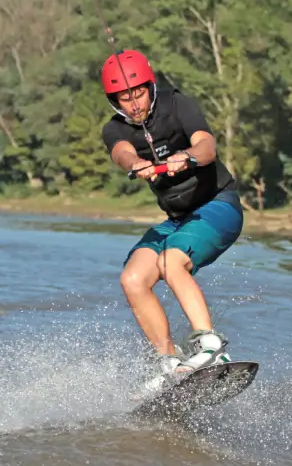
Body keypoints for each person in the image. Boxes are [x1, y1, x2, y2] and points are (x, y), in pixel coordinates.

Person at [99, 49, 245, 395]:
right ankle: (169, 362)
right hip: (177, 220)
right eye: (124, 98)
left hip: (218, 206)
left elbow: (206, 146)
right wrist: (135, 164)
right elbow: (121, 152)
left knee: (170, 261)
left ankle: (211, 346)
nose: (134, 103)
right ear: (114, 101)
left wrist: (187, 157)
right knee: (133, 278)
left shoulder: (177, 104)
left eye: (138, 93)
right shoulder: (114, 129)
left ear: (149, 87)